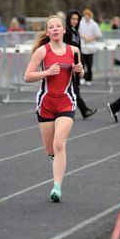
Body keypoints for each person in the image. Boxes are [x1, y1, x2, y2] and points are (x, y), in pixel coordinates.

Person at [24, 15, 85, 202]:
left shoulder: (74, 50)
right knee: (50, 149)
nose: (55, 29)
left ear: (64, 30)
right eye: (51, 27)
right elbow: (27, 76)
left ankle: (57, 187)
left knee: (60, 144)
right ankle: (55, 159)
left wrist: (80, 70)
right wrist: (47, 72)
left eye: (58, 26)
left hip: (66, 100)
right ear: (48, 32)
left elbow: (80, 74)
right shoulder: (42, 51)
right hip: (46, 103)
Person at [64, 9, 97, 119]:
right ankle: (84, 110)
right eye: (73, 19)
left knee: (74, 88)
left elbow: (78, 48)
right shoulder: (66, 32)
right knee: (74, 89)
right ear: (68, 19)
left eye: (77, 19)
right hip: (70, 65)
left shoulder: (75, 31)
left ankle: (83, 110)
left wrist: (79, 61)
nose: (75, 21)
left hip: (77, 63)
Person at [79, 8, 102, 85]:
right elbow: (78, 32)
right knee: (82, 63)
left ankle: (89, 79)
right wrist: (84, 37)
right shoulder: (81, 23)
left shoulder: (94, 24)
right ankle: (83, 77)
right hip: (82, 46)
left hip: (91, 46)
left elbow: (98, 34)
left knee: (89, 64)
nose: (86, 17)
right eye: (85, 15)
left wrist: (91, 38)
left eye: (88, 15)